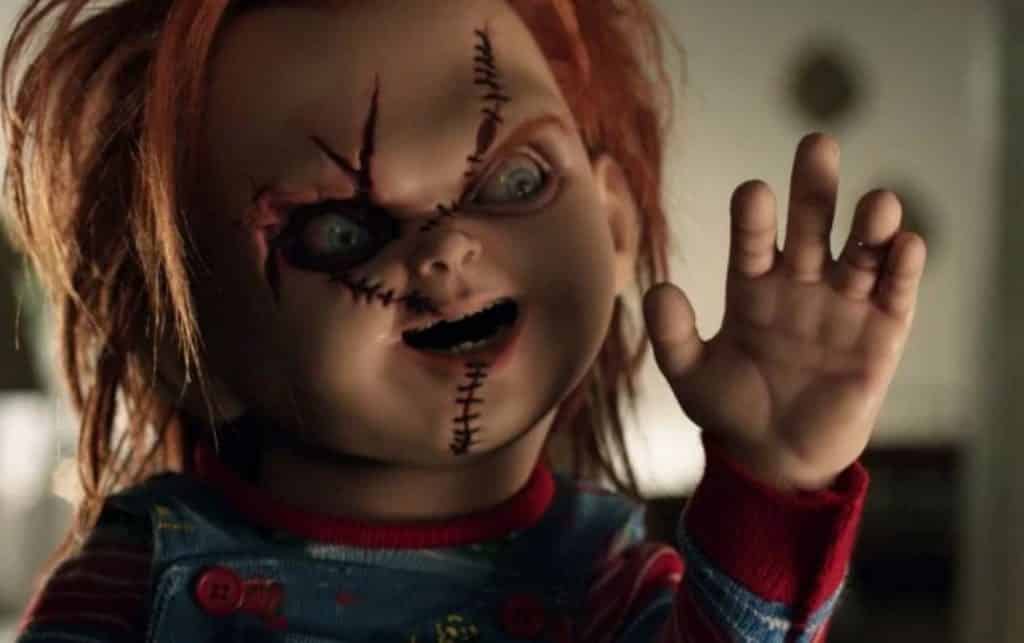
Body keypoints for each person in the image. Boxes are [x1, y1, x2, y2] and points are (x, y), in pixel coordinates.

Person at [2, 0, 927, 641]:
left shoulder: (612, 586)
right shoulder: (135, 568)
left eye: (515, 180)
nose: (446, 251)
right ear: (185, 344)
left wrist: (770, 485)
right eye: (338, 231)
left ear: (613, 226)